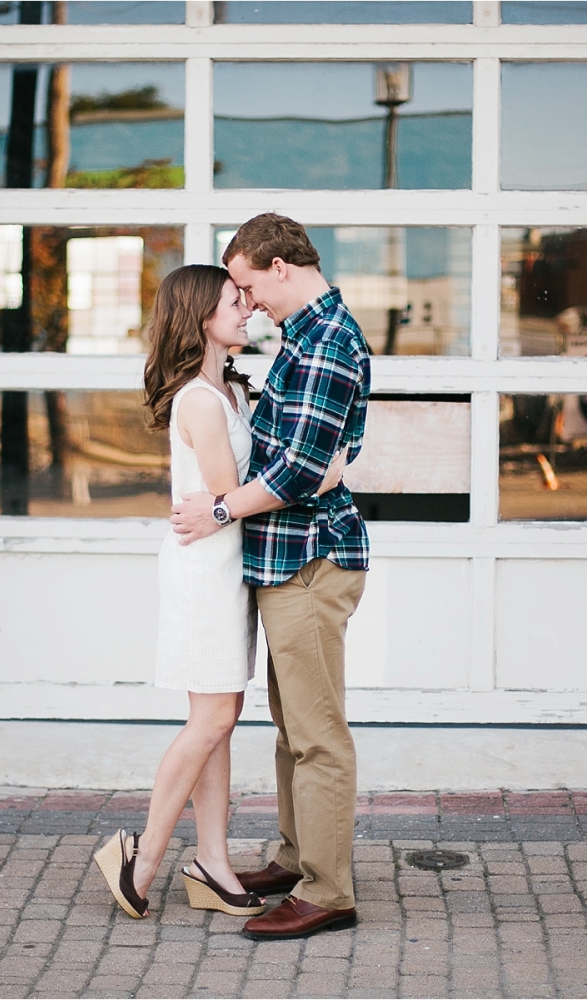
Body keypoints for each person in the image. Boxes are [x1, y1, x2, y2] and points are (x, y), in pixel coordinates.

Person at [93, 264, 345, 921]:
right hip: (203, 573)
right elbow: (234, 492)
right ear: (202, 317)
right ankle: (142, 863)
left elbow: (239, 493)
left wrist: (302, 469)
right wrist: (314, 473)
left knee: (221, 722)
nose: (248, 309)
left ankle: (212, 862)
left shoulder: (228, 387)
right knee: (210, 720)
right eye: (235, 301)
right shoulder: (198, 401)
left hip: (229, 567)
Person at [171, 214, 371, 941]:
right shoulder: (303, 337)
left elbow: (298, 471)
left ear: (280, 267)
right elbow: (308, 458)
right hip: (286, 558)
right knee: (294, 731)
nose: (247, 302)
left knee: (317, 736)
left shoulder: (327, 342)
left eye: (249, 285)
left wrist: (220, 508)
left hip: (311, 558)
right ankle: (296, 859)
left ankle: (328, 891)